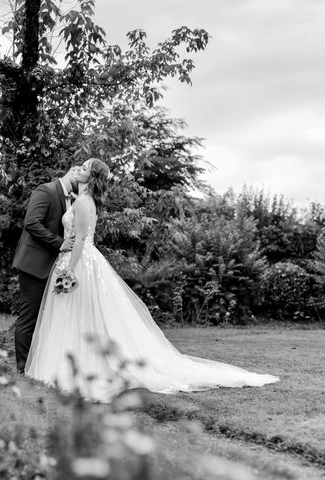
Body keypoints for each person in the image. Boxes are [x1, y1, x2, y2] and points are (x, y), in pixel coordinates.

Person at [25, 158, 279, 400]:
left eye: (85, 168)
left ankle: (75, 370)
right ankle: (74, 366)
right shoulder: (83, 200)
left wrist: (69, 270)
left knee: (76, 315)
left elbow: (80, 239)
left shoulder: (83, 202)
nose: (79, 169)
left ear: (91, 177)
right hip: (82, 259)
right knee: (75, 316)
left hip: (77, 261)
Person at [12, 164, 81, 374]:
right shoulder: (47, 190)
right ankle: (22, 369)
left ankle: (38, 364)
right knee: (29, 317)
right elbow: (31, 222)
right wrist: (59, 243)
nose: (85, 180)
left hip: (53, 266)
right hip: (34, 264)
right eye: (83, 174)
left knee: (46, 318)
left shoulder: (73, 198)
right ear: (74, 171)